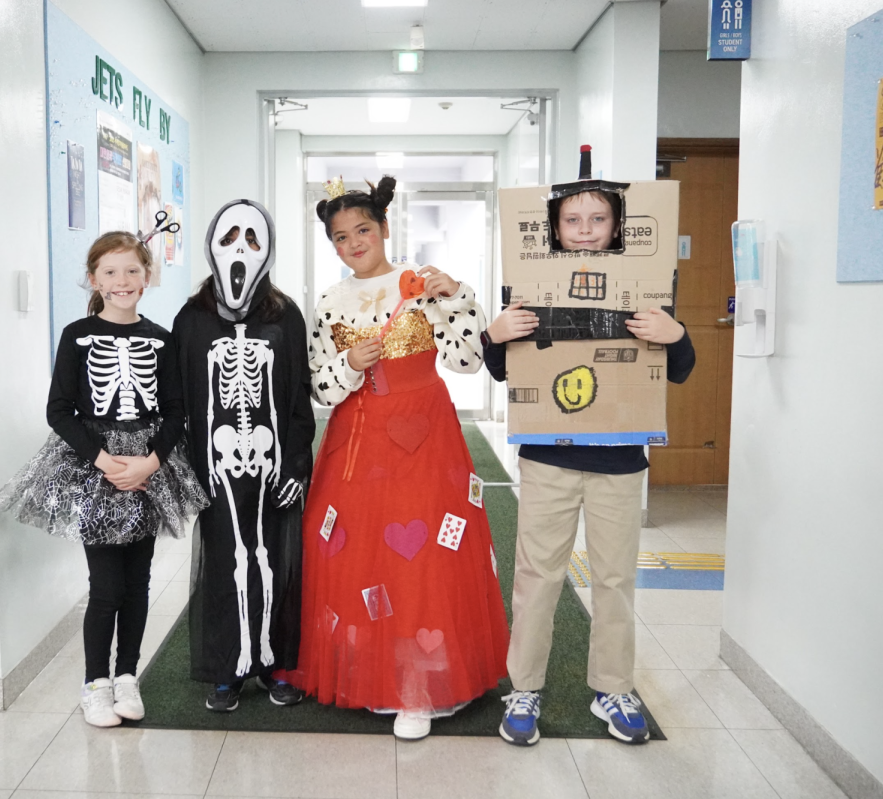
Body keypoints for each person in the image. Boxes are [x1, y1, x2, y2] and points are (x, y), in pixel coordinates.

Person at [285, 176, 510, 741]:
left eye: (363, 229)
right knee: (351, 552)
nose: (354, 242)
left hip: (426, 438)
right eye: (341, 237)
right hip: (356, 442)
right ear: (332, 246)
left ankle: (419, 687)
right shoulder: (330, 302)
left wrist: (458, 294)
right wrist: (351, 366)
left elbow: (465, 362)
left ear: (385, 228)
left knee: (428, 553)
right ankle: (366, 671)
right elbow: (319, 388)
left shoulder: (422, 285)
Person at [486, 179, 696, 746]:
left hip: (621, 461)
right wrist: (495, 334)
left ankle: (612, 688)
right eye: (572, 221)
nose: (584, 231)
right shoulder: (530, 287)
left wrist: (674, 333)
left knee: (614, 579)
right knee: (537, 575)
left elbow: (677, 370)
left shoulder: (645, 288)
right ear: (553, 229)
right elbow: (505, 372)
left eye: (597, 220)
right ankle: (524, 686)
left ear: (616, 227)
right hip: (548, 458)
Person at [0, 229, 208, 728]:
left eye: (133, 270)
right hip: (97, 469)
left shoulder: (162, 339)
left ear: (148, 277)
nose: (122, 281)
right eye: (110, 272)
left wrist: (152, 462)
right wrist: (102, 459)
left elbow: (177, 410)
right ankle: (95, 682)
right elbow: (59, 410)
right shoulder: (76, 335)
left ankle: (128, 675)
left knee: (139, 583)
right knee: (106, 585)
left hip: (149, 469)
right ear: (93, 278)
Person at [173, 199, 316, 712]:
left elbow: (299, 398)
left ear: (269, 249)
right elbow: (180, 401)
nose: (241, 248)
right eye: (230, 236)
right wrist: (189, 471)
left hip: (274, 463)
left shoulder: (286, 315)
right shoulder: (191, 319)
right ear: (212, 244)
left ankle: (275, 666)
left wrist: (298, 465)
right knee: (223, 562)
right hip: (217, 462)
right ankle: (225, 670)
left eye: (253, 240)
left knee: (276, 558)